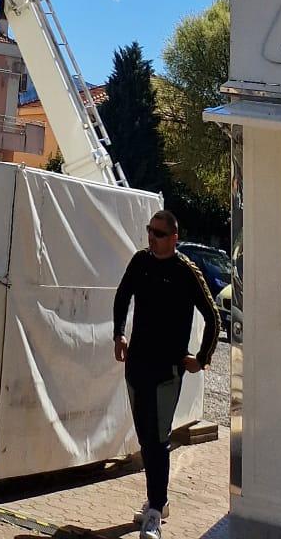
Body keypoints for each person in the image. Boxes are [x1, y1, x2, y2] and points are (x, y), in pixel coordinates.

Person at [113, 208, 220, 536]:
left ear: (174, 238)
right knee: (146, 438)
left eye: (159, 234)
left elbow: (213, 316)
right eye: (149, 231)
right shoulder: (140, 261)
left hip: (167, 369)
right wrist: (118, 334)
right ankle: (157, 500)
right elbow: (122, 296)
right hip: (137, 364)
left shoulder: (186, 271)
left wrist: (201, 358)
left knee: (159, 440)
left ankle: (156, 511)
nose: (152, 238)